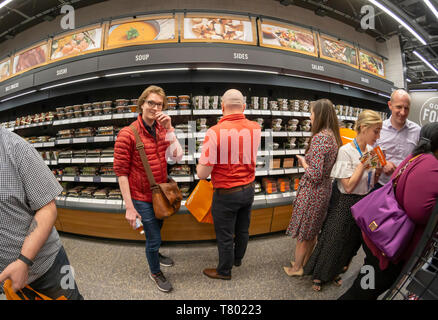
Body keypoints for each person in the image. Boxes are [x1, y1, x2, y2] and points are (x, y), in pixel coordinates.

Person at [339, 122, 438, 300]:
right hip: (389, 244)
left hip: (379, 234)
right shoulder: (430, 164)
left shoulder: (416, 156)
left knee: (366, 283)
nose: (377, 136)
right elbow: (419, 212)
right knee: (363, 292)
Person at [303, 110, 383, 291]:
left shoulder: (372, 151)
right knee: (334, 238)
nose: (378, 136)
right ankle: (319, 274)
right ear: (363, 128)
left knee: (351, 241)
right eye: (375, 131)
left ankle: (336, 271)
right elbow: (348, 186)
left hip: (363, 200)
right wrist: (363, 164)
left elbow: (372, 181)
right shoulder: (345, 151)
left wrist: (378, 172)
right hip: (344, 201)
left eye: (379, 132)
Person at [114, 85, 183, 293]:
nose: (154, 107)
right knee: (154, 237)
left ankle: (155, 251)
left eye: (159, 104)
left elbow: (178, 157)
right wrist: (129, 206)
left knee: (157, 230)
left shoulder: (163, 130)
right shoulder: (127, 134)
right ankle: (155, 271)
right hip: (141, 196)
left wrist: (171, 128)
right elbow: (121, 172)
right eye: (151, 102)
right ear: (142, 104)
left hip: (159, 194)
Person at [0, 126, 83, 299]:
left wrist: (24, 261)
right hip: (6, 275)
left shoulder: (16, 148)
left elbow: (47, 208)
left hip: (45, 265)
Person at [197, 89, 261, 280]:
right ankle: (237, 259)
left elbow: (203, 173)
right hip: (249, 188)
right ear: (243, 106)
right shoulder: (255, 127)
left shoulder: (215, 132)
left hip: (226, 193)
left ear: (222, 106)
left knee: (225, 235)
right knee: (243, 229)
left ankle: (224, 271)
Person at [284, 99, 342, 277]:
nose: (310, 117)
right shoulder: (332, 136)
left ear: (320, 115)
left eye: (312, 113)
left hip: (312, 193)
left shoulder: (320, 139)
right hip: (324, 190)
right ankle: (306, 263)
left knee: (304, 232)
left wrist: (303, 162)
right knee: (312, 231)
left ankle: (296, 268)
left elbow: (315, 174)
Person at [374, 89, 420, 189]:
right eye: (399, 107)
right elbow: (366, 156)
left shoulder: (417, 131)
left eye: (406, 108)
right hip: (381, 186)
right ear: (390, 105)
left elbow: (420, 158)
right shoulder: (378, 128)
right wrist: (383, 163)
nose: (403, 112)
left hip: (406, 186)